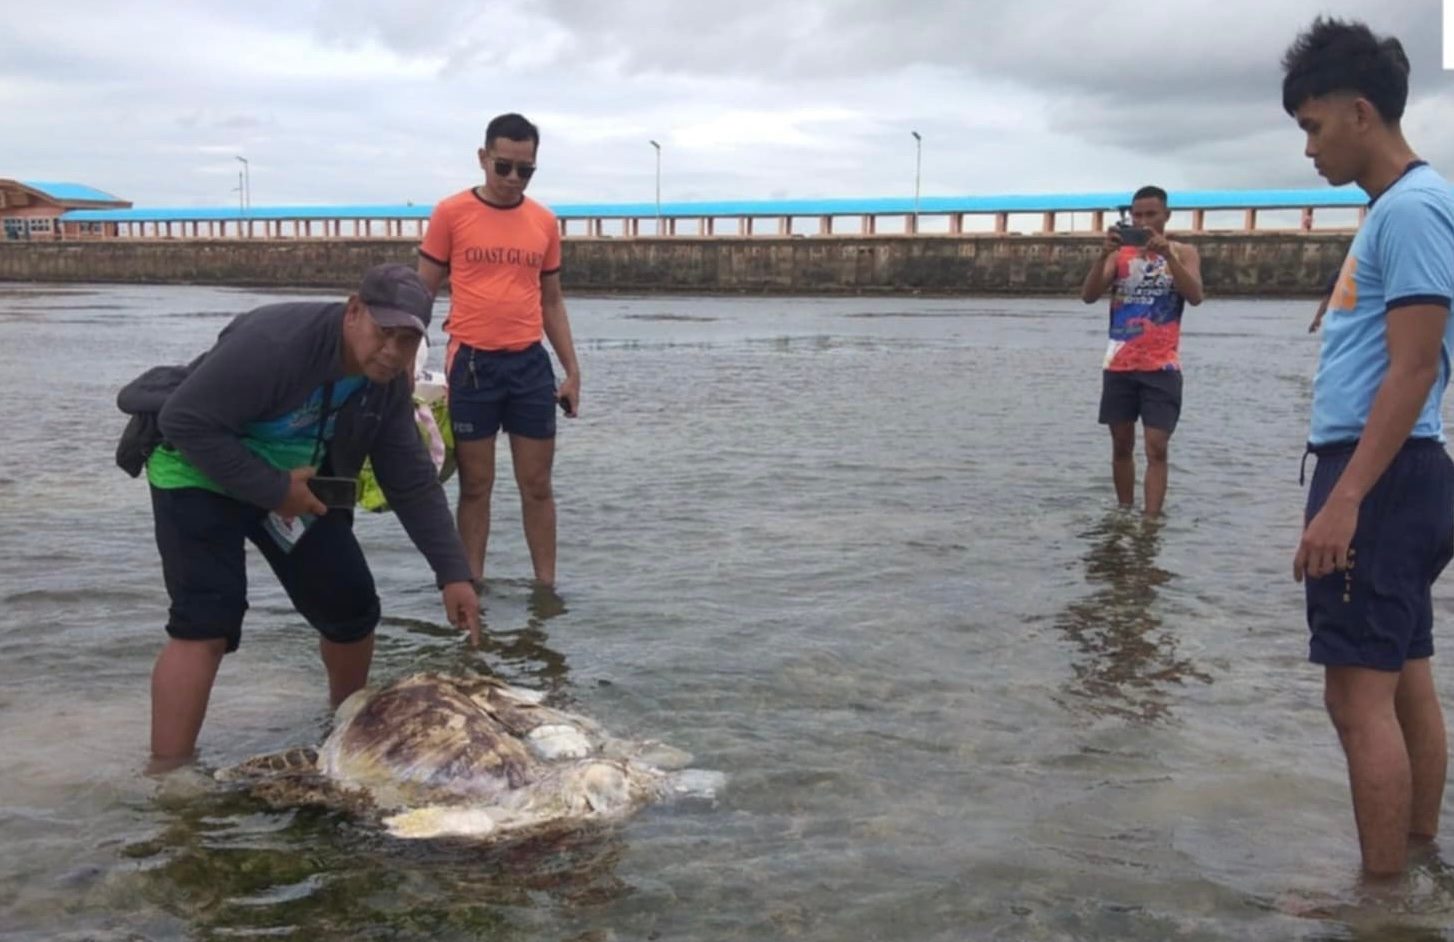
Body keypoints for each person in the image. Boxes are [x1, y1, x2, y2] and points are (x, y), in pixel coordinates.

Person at [136, 263, 481, 769]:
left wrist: (454, 574)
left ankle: (346, 734)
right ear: (354, 310)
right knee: (206, 619)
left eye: (407, 341)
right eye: (384, 333)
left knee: (352, 605)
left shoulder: (383, 384)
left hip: (291, 484)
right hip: (194, 469)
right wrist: (274, 490)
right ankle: (169, 776)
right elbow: (182, 420)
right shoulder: (275, 344)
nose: (391, 351)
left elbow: (410, 480)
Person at [1284, 16, 1454, 877]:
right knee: (1405, 677)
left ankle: (1381, 904)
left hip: (1380, 475)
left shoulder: (1414, 209)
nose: (1308, 149)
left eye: (1313, 128)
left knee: (1357, 698)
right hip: (1406, 475)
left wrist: (1345, 498)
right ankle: (1417, 869)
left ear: (1360, 112)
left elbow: (1415, 368)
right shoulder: (1402, 209)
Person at [417, 112, 581, 588]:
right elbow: (421, 293)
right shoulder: (450, 213)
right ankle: (470, 591)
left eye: (525, 170)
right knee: (476, 487)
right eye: (503, 167)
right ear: (483, 158)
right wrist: (401, 362)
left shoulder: (544, 222)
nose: (512, 179)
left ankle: (546, 591)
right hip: (471, 364)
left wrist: (571, 370)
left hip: (529, 364)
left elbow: (551, 300)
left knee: (537, 486)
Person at [1079, 186, 1205, 516]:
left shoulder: (1184, 252)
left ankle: (1151, 521)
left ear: (1166, 216)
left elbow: (1194, 295)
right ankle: (1123, 512)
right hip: (1120, 362)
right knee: (1121, 444)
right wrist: (1102, 255)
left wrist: (1167, 257)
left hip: (1162, 365)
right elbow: (1089, 295)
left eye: (1151, 214)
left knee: (1156, 446)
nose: (1144, 221)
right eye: (1137, 215)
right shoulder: (1118, 255)